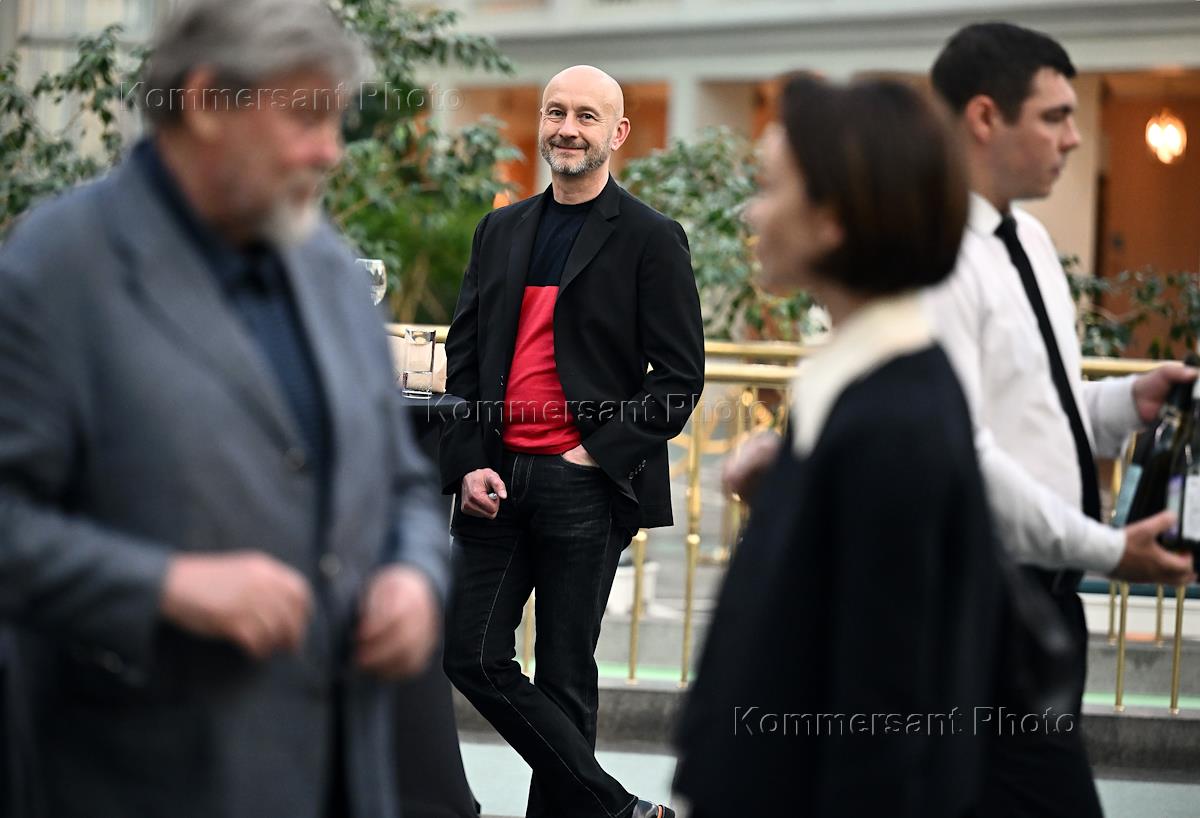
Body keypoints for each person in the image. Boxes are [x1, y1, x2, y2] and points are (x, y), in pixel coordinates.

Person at [0, 1, 447, 816]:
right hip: (147, 780)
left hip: (346, 779)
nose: (331, 151)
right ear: (207, 102)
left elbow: (404, 482)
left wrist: (415, 575)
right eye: (306, 116)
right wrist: (167, 586)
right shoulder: (56, 269)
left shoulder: (330, 268)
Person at [673, 74, 1006, 817]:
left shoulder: (894, 422)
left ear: (832, 220)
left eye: (770, 187)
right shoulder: (859, 390)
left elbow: (883, 719)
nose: (752, 212)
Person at [924, 22, 1197, 817]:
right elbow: (960, 450)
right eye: (1054, 117)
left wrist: (1127, 402)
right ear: (984, 117)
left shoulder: (1033, 241)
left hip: (1046, 601)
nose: (1075, 138)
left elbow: (1036, 407)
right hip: (974, 605)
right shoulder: (930, 255)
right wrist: (1109, 550)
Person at [439, 65, 704, 818]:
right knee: (470, 653)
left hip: (584, 483)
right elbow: (465, 358)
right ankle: (619, 810)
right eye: (556, 111)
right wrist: (467, 463)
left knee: (564, 675)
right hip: (496, 480)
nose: (567, 128)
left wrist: (593, 454)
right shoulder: (500, 229)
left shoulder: (651, 238)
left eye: (587, 115)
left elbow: (678, 378)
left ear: (617, 133)